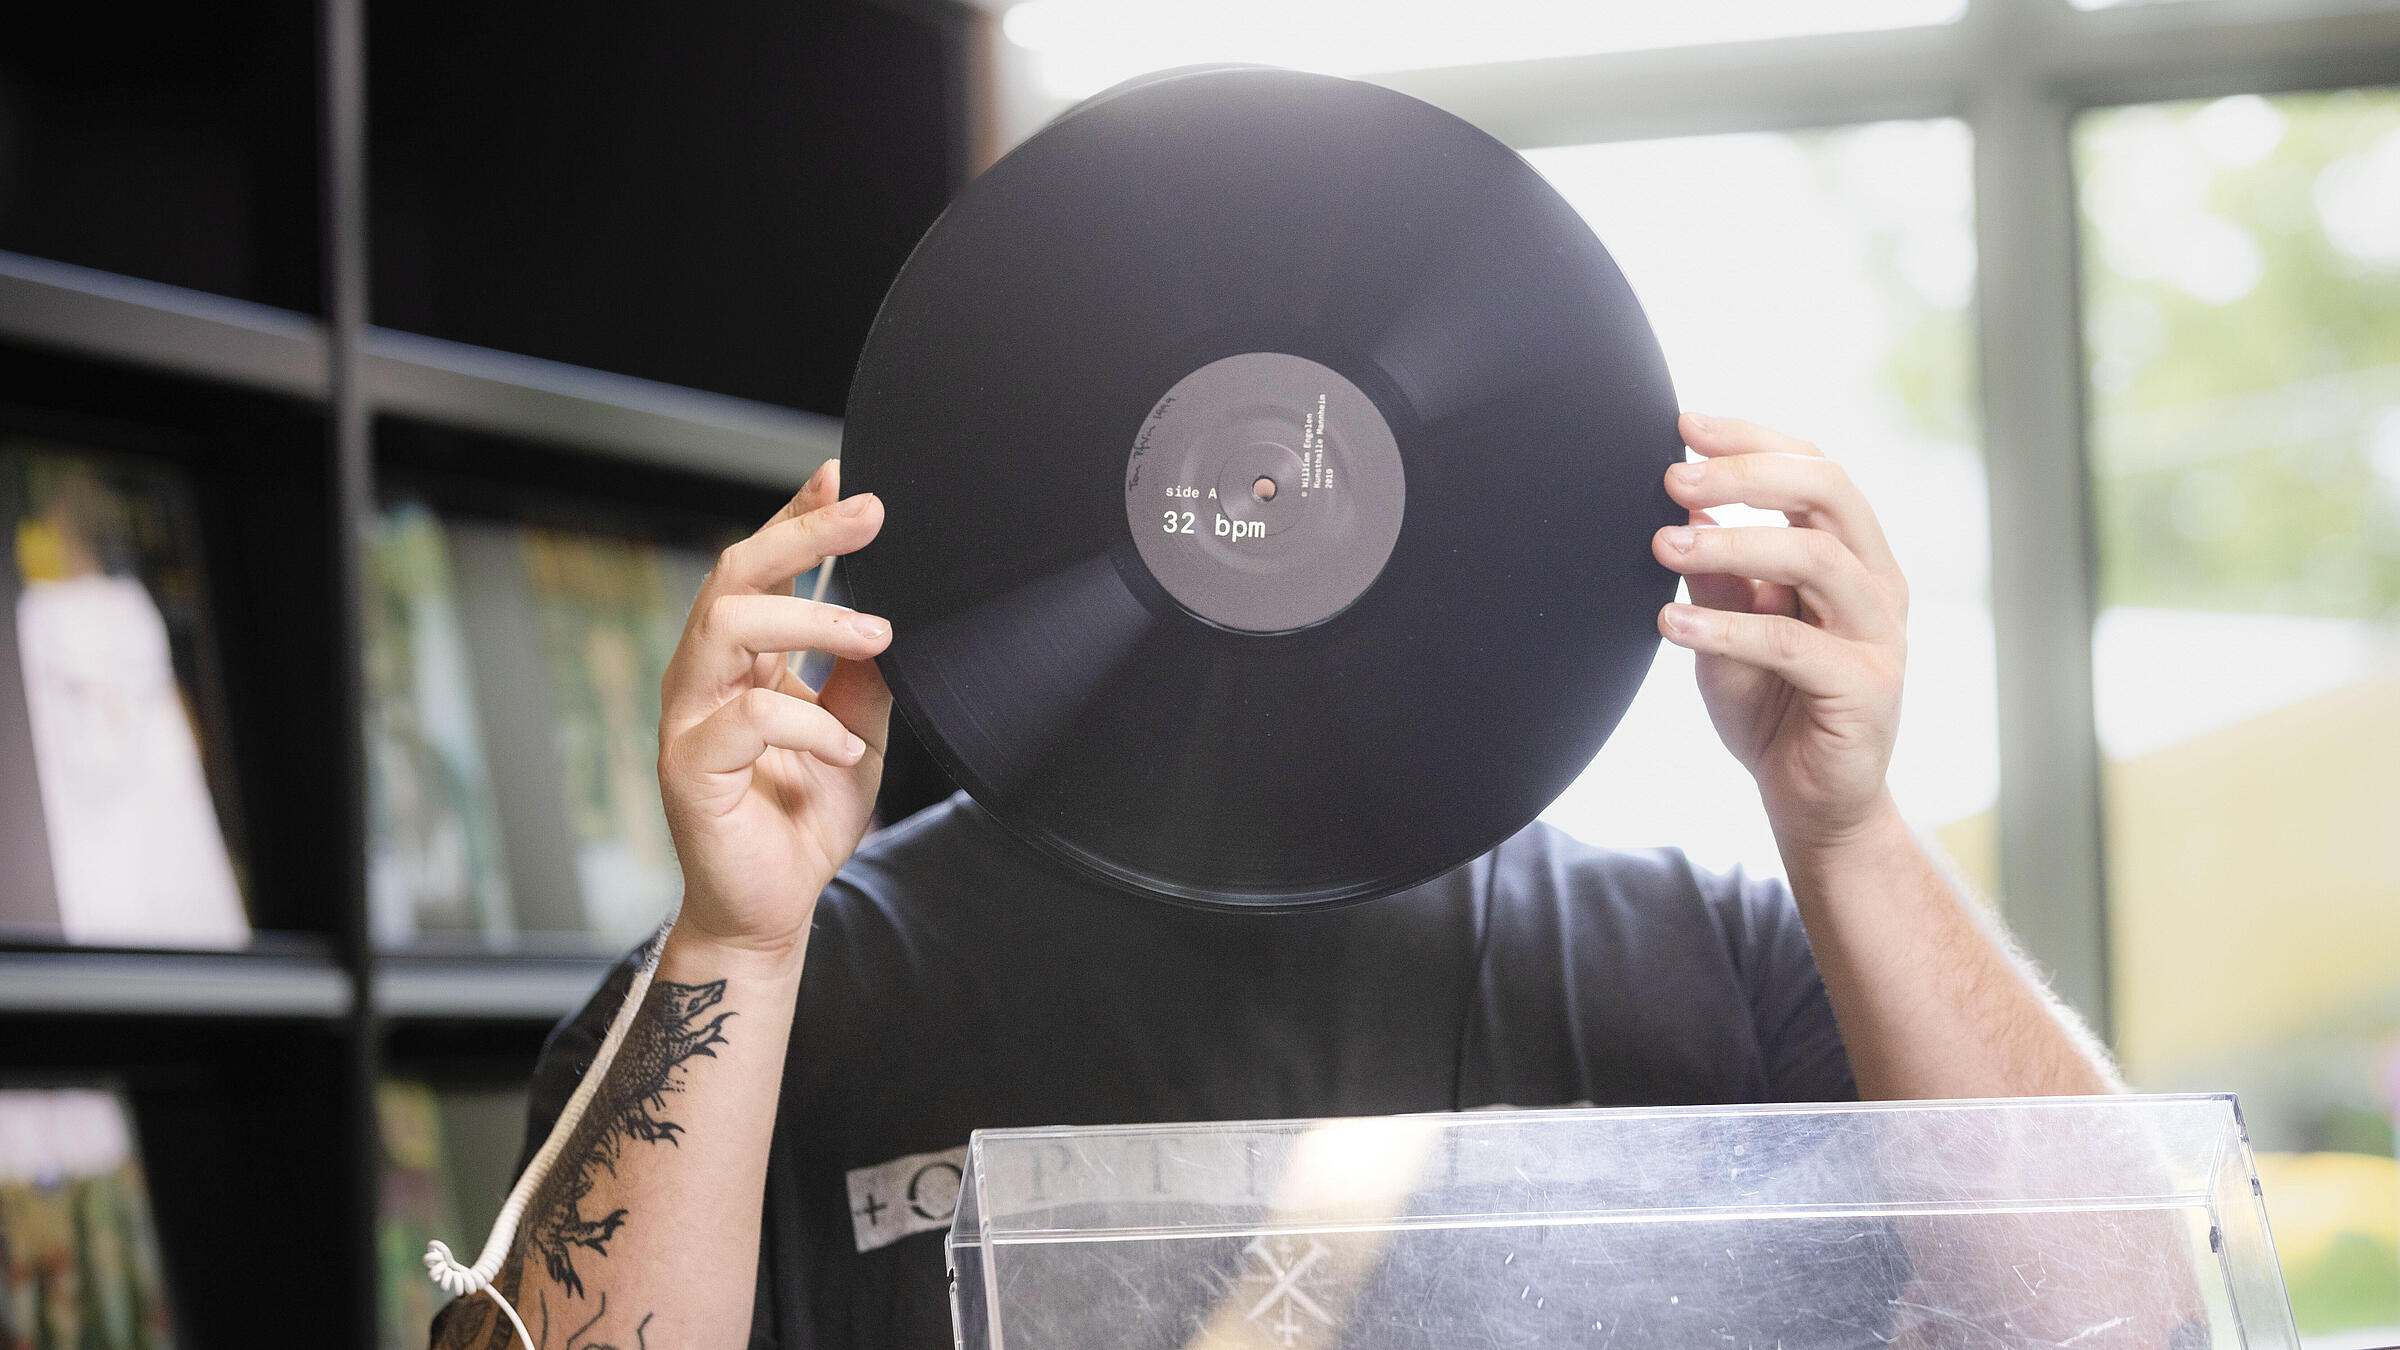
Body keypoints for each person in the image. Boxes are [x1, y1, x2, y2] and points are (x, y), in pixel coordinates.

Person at [432, 414, 2120, 1350]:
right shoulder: (786, 977)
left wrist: (1848, 828)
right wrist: (735, 931)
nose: (1262, 518)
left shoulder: (1714, 953)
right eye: (1229, 484)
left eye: (1302, 478)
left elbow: (2131, 1319)